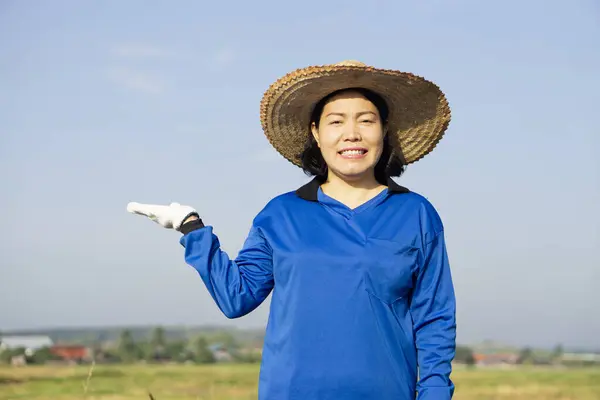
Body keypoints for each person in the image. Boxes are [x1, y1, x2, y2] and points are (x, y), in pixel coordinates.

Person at [127, 60, 456, 400]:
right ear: (316, 132)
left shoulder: (416, 213)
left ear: (383, 130)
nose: (352, 134)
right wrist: (191, 228)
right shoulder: (280, 214)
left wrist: (434, 393)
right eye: (336, 121)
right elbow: (235, 297)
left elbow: (434, 317)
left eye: (366, 120)